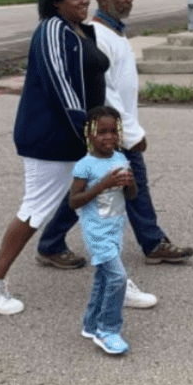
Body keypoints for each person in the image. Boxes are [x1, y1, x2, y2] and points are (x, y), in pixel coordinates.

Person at [0, 0, 156, 315]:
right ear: (56, 2)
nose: (85, 1)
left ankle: (116, 282)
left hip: (76, 138)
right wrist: (91, 136)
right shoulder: (52, 30)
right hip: (51, 140)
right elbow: (62, 89)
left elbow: (96, 86)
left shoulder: (80, 30)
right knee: (35, 209)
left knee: (101, 206)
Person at [36, 0, 193, 267]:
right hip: (111, 129)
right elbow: (106, 92)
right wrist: (130, 134)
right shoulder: (99, 36)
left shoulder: (116, 33)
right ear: (104, 0)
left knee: (100, 185)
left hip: (117, 127)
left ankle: (51, 243)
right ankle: (153, 243)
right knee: (131, 183)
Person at [71, 106, 136, 355]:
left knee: (104, 277)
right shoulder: (85, 165)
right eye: (102, 132)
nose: (108, 137)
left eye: (113, 131)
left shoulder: (120, 159)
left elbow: (132, 195)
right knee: (118, 278)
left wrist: (130, 182)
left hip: (115, 229)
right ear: (90, 134)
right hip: (96, 232)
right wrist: (103, 184)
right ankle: (107, 330)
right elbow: (73, 201)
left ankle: (90, 324)